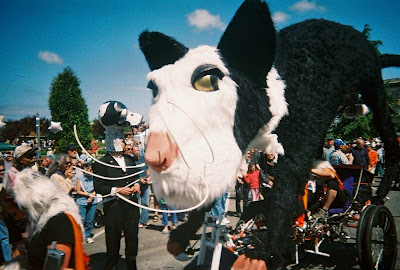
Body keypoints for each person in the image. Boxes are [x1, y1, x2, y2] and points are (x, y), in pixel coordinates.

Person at [1, 169, 87, 269]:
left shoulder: (58, 222)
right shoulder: (38, 222)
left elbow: (55, 267)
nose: (16, 218)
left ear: (21, 203)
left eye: (14, 214)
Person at [93, 145, 141, 270]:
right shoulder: (101, 162)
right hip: (114, 206)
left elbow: (136, 176)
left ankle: (132, 266)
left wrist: (137, 184)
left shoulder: (129, 159)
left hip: (131, 204)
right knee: (113, 241)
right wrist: (117, 190)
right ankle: (111, 266)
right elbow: (98, 186)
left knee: (132, 239)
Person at [75, 163, 97, 244]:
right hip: (82, 201)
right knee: (82, 219)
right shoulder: (80, 178)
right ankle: (79, 235)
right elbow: (78, 191)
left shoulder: (94, 178)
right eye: (89, 170)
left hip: (93, 200)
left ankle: (87, 235)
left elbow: (96, 188)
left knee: (90, 219)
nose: (91, 171)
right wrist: (88, 195)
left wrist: (92, 196)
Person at [132, 145, 151, 228]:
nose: (136, 152)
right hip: (137, 184)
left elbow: (147, 169)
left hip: (145, 184)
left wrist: (149, 178)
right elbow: (132, 174)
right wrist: (139, 179)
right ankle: (138, 221)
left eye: (137, 150)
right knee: (137, 204)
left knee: (145, 203)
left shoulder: (143, 158)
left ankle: (144, 220)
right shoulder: (131, 161)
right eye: (134, 151)